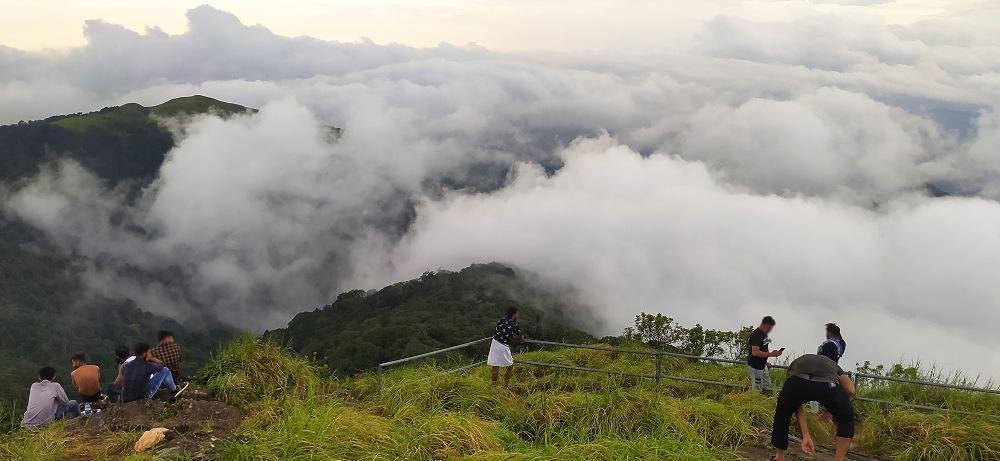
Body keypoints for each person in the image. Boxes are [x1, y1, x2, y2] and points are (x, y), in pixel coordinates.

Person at [770, 342, 857, 461]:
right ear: (836, 358)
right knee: (846, 418)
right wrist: (831, 408)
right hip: (827, 385)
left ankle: (779, 456)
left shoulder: (800, 360)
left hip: (796, 382)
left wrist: (806, 435)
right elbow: (851, 390)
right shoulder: (834, 365)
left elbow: (795, 405)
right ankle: (839, 459)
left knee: (783, 412)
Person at [120, 343, 187, 403]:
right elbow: (163, 365)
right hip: (142, 398)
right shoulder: (147, 366)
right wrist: (152, 359)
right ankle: (174, 390)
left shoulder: (126, 366)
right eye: (149, 352)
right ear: (144, 353)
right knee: (165, 370)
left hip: (126, 399)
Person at [487, 306, 523, 385]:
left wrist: (511, 335)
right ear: (514, 314)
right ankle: (506, 384)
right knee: (510, 365)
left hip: (495, 343)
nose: (517, 315)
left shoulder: (500, 320)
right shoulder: (514, 325)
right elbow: (521, 337)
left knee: (495, 365)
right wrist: (516, 337)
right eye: (517, 314)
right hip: (503, 346)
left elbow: (501, 331)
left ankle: (494, 385)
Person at [747, 316, 782, 394]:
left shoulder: (765, 335)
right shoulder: (756, 335)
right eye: (769, 327)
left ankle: (766, 402)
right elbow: (755, 352)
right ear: (764, 324)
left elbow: (764, 349)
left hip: (763, 365)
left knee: (767, 386)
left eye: (771, 328)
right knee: (757, 388)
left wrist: (766, 361)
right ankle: (755, 403)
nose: (770, 330)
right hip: (755, 366)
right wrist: (771, 354)